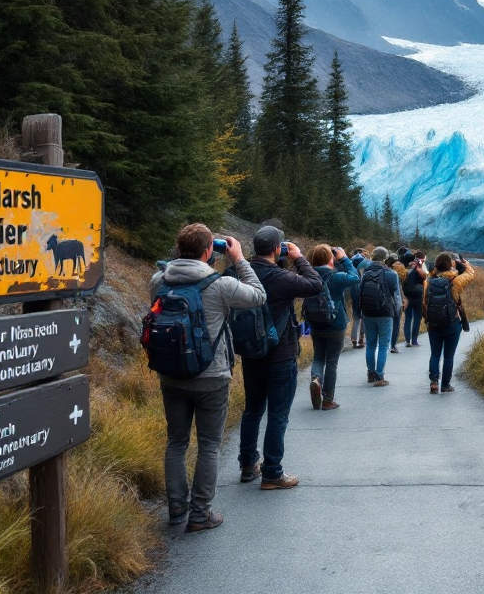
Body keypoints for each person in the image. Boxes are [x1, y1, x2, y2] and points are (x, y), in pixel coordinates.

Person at [151, 223, 266, 532]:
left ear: (178, 249)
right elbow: (258, 295)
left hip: (171, 374)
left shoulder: (158, 281)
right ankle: (200, 514)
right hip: (211, 376)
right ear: (207, 251)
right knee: (209, 445)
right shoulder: (220, 285)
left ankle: (177, 509)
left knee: (176, 441)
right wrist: (239, 259)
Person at [242, 226, 323, 490]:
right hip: (281, 354)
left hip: (251, 352)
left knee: (253, 409)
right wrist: (298, 258)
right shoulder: (282, 277)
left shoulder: (239, 273)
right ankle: (273, 473)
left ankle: (247, 464)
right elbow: (315, 284)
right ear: (278, 249)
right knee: (278, 414)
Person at [307, 244, 359, 410]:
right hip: (335, 324)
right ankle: (328, 399)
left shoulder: (308, 276)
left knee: (318, 357)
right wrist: (344, 259)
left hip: (315, 323)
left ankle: (316, 378)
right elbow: (355, 277)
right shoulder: (336, 277)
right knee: (331, 362)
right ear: (330, 259)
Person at [423, 252, 476, 394]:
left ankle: (434, 382)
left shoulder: (428, 282)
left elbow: (425, 304)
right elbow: (471, 274)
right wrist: (465, 264)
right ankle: (445, 385)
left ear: (436, 265)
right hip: (453, 323)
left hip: (434, 325)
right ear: (451, 264)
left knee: (435, 354)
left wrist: (427, 320)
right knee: (448, 356)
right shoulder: (456, 281)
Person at [359, 247, 402, 385]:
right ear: (385, 258)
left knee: (370, 344)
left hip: (367, 312)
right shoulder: (391, 274)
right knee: (384, 345)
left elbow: (359, 291)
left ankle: (370, 373)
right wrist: (397, 310)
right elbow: (396, 295)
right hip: (385, 312)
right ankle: (380, 375)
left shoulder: (365, 272)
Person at [401, 252, 427, 347]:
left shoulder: (405, 267)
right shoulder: (418, 267)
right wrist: (418, 266)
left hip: (406, 294)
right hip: (417, 294)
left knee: (408, 317)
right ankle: (414, 340)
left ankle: (407, 340)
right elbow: (424, 276)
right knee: (417, 317)